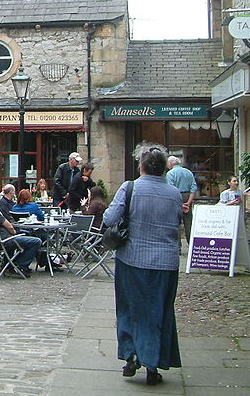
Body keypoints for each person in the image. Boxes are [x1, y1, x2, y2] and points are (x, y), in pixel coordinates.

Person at [103, 144, 182, 386]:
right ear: (164, 168)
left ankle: (131, 356)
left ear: (142, 166)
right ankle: (152, 364)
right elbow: (178, 222)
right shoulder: (175, 193)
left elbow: (109, 219)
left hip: (132, 260)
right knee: (160, 312)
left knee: (129, 309)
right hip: (166, 262)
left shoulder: (130, 188)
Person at [166, 155, 197, 246]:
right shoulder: (188, 172)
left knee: (175, 222)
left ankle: (178, 246)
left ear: (171, 163)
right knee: (188, 222)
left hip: (176, 196)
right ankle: (191, 244)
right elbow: (193, 188)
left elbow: (171, 189)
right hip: (187, 196)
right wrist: (188, 202)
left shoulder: (170, 174)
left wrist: (179, 203)